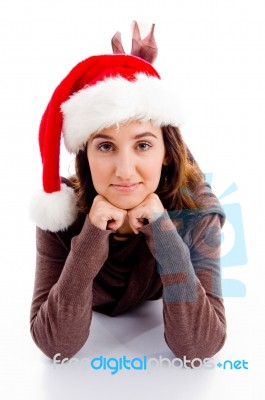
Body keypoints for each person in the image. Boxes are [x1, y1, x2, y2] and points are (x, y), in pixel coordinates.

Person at [29, 23, 226, 363]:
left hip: (173, 193)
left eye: (143, 145)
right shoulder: (60, 215)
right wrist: (91, 236)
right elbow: (55, 345)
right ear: (85, 156)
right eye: (105, 146)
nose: (123, 170)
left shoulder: (198, 215)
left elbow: (199, 348)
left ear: (165, 152)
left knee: (182, 175)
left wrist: (164, 232)